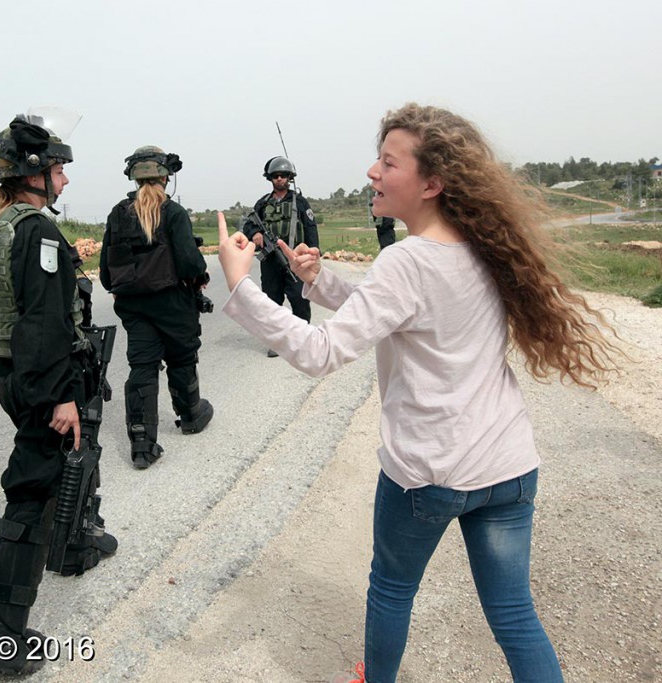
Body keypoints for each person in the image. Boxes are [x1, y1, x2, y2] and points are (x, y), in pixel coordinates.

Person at [216, 103, 624, 683]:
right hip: (509, 470)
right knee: (513, 613)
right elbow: (407, 311)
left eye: (387, 162)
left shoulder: (405, 260)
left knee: (390, 590)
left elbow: (320, 352)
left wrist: (240, 284)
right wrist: (317, 278)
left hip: (430, 475)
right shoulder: (484, 246)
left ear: (432, 183)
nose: (371, 173)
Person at [0, 111, 118, 674]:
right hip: (41, 382)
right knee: (32, 492)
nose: (65, 181)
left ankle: (73, 546)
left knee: (66, 467)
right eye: (59, 170)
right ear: (34, 175)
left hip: (11, 376)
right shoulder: (36, 231)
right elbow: (44, 321)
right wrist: (60, 397)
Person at [99, 146, 214, 469]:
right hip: (174, 304)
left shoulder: (118, 213)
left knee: (142, 368)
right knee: (182, 358)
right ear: (165, 177)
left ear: (133, 177)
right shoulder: (173, 213)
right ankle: (190, 415)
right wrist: (199, 277)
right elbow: (190, 262)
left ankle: (141, 443)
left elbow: (107, 273)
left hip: (135, 308)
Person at [239, 155, 319, 356]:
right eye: (275, 176)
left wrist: (313, 256)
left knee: (299, 300)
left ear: (290, 177)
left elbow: (310, 229)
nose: (279, 179)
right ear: (270, 179)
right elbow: (248, 224)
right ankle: (276, 342)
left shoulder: (300, 202)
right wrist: (255, 234)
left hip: (294, 261)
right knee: (271, 303)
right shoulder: (262, 204)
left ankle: (303, 340)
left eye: (283, 176)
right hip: (270, 262)